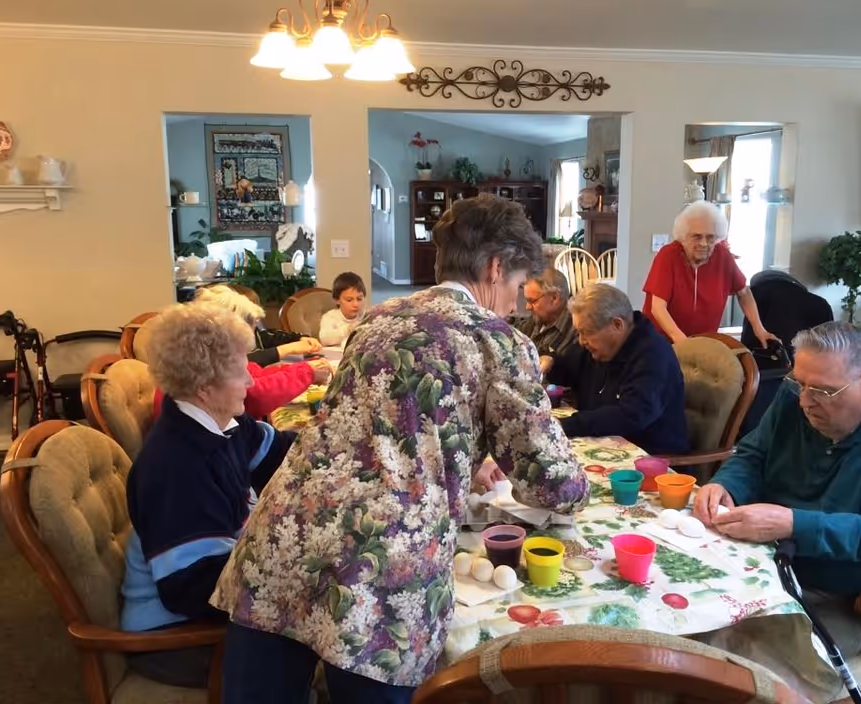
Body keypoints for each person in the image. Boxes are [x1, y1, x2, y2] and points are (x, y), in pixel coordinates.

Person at [211, 194, 591, 703]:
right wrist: (580, 489)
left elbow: (384, 421)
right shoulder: (498, 340)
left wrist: (460, 457)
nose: (518, 302)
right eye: (519, 286)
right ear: (496, 267)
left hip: (285, 539)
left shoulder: (377, 318)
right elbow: (551, 478)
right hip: (383, 570)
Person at [694, 321, 861, 658]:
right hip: (777, 568)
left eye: (822, 391)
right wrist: (725, 484)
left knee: (738, 660)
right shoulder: (800, 390)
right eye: (799, 382)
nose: (805, 401)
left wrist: (793, 524)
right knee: (688, 624)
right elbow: (753, 453)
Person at [121, 304, 296, 688]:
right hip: (175, 638)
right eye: (241, 372)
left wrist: (344, 444)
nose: (251, 382)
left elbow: (281, 453)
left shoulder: (219, 425)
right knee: (323, 642)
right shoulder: (177, 467)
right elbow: (196, 589)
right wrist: (297, 575)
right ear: (205, 386)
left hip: (216, 597)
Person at [540, 283, 689, 455]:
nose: (581, 341)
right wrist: (551, 363)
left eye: (586, 332)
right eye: (578, 333)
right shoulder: (600, 347)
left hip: (651, 460)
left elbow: (631, 415)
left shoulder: (653, 354)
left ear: (617, 325)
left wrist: (566, 425)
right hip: (606, 447)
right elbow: (568, 369)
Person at [153, 284, 332, 421]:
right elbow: (255, 395)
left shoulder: (206, 354)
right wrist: (307, 372)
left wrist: (304, 369)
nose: (253, 333)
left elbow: (254, 375)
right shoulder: (204, 365)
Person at [642, 202, 777, 347]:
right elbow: (657, 307)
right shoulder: (668, 255)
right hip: (661, 342)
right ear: (683, 237)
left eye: (710, 237)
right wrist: (682, 342)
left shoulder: (722, 255)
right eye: (697, 237)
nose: (704, 243)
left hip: (705, 341)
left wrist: (759, 329)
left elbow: (744, 292)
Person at [515, 268, 577, 358]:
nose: (527, 307)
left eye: (532, 301)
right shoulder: (539, 317)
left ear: (554, 298)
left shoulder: (575, 330)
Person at [319, 271, 367, 346]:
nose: (355, 304)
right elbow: (324, 339)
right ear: (337, 300)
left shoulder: (366, 316)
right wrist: (348, 329)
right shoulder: (330, 317)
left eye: (359, 299)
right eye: (349, 300)